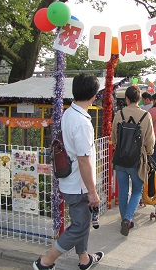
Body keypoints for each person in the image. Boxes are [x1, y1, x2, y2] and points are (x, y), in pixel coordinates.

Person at [33, 74, 104, 270]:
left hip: (70, 180)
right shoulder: (82, 122)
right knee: (80, 226)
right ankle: (45, 262)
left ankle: (84, 259)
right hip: (78, 184)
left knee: (82, 221)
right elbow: (83, 159)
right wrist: (92, 191)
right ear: (94, 94)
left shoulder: (69, 113)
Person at [111, 85, 155, 236]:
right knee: (137, 190)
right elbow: (150, 140)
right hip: (137, 160)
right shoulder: (145, 115)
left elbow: (113, 138)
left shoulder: (119, 114)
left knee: (123, 191)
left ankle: (125, 219)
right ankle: (127, 219)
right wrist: (148, 152)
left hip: (120, 159)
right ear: (139, 100)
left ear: (127, 99)